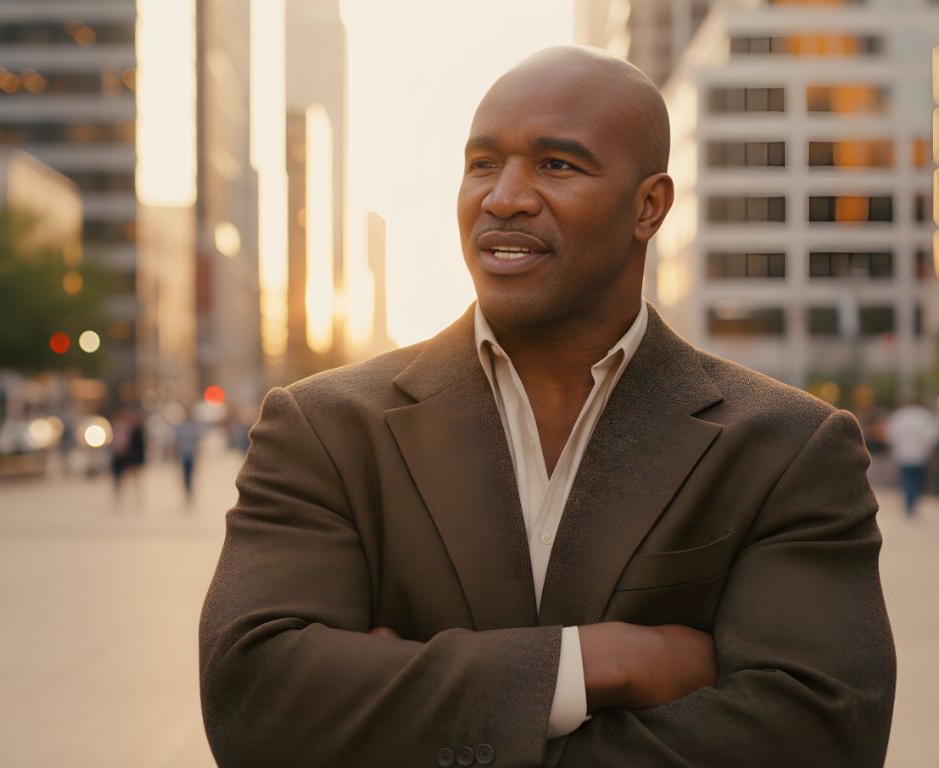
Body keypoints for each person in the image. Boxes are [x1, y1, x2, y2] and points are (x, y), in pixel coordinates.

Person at [200, 47, 895, 767]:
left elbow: (820, 733)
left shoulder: (787, 448)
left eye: (556, 165)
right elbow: (253, 697)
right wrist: (591, 664)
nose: (504, 197)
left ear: (649, 206)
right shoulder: (324, 429)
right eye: (481, 163)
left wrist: (406, 706)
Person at [886, 398, 939, 517]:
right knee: (917, 481)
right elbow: (933, 436)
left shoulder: (899, 416)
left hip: (903, 455)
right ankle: (912, 503)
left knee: (907, 480)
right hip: (920, 455)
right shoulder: (924, 416)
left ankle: (909, 503)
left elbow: (891, 435)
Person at [173, 410, 205, 505]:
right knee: (187, 476)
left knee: (188, 475)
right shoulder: (189, 427)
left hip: (188, 454)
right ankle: (188, 492)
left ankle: (189, 492)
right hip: (187, 454)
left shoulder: (185, 427)